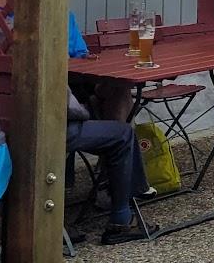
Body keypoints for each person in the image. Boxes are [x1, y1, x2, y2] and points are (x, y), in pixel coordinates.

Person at [66, 90, 156, 245]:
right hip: (58, 129)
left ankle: (120, 191)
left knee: (116, 95)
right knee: (123, 134)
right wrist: (85, 110)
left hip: (23, 126)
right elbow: (68, 109)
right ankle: (122, 218)